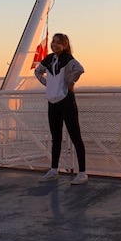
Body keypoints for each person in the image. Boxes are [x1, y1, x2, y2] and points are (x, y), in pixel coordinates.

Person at [34, 33, 87, 185]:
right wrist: (48, 84)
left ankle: (82, 173)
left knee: (75, 136)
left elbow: (80, 69)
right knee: (55, 138)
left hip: (66, 101)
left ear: (64, 45)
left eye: (58, 42)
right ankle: (53, 170)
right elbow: (38, 71)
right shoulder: (49, 59)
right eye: (53, 42)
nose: (55, 45)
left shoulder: (67, 59)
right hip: (53, 102)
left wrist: (68, 81)